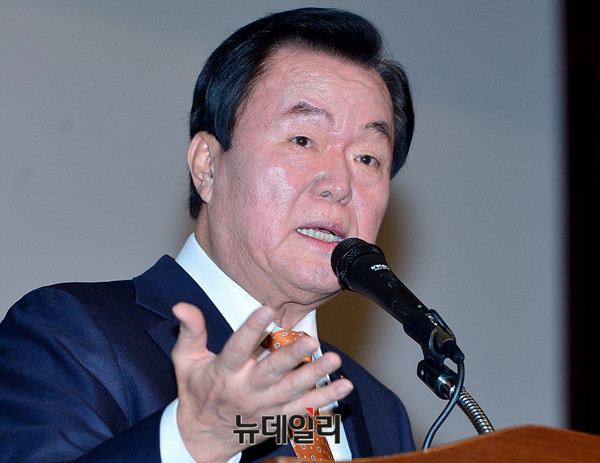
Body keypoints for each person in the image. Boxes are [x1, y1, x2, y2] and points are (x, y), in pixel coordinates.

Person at [0, 7, 415, 462]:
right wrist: (191, 443)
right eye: (303, 140)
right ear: (207, 166)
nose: (340, 183)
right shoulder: (70, 335)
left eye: (368, 158)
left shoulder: (380, 410)